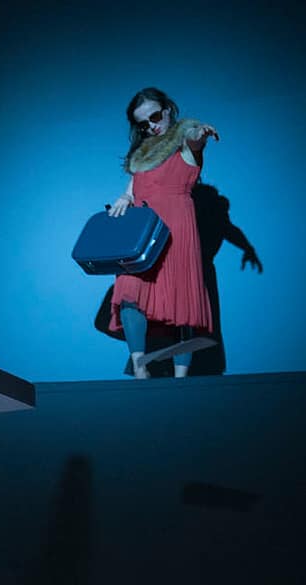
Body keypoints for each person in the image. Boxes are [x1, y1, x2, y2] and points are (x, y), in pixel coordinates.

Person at [104, 87, 219, 378]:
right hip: (143, 232)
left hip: (176, 229)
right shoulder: (142, 153)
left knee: (182, 302)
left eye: (155, 117)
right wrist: (125, 197)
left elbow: (195, 138)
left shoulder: (184, 142)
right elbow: (134, 185)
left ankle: (181, 379)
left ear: (167, 110)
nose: (151, 126)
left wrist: (200, 132)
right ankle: (140, 367)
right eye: (143, 123)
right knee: (128, 291)